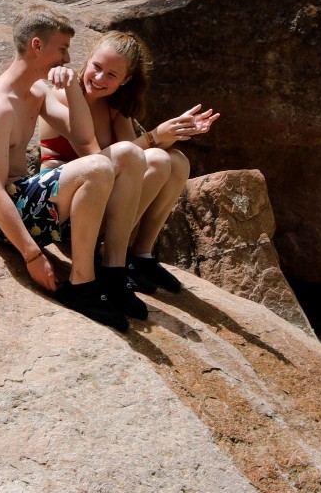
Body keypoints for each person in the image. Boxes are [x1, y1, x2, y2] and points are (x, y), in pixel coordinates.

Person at [0, 5, 142, 327]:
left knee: (129, 154)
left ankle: (114, 273)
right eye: (62, 49)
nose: (66, 59)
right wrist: (33, 256)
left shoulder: (36, 92)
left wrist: (72, 87)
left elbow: (82, 136)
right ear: (37, 46)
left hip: (27, 200)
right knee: (97, 169)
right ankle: (83, 284)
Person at [37, 30, 217, 296]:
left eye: (112, 75)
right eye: (96, 67)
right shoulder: (67, 94)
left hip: (98, 195)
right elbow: (98, 161)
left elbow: (135, 160)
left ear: (126, 80)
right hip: (67, 208)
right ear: (87, 60)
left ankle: (140, 255)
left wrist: (177, 131)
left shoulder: (114, 104)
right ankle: (109, 258)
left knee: (175, 161)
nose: (99, 78)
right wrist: (155, 136)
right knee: (154, 153)